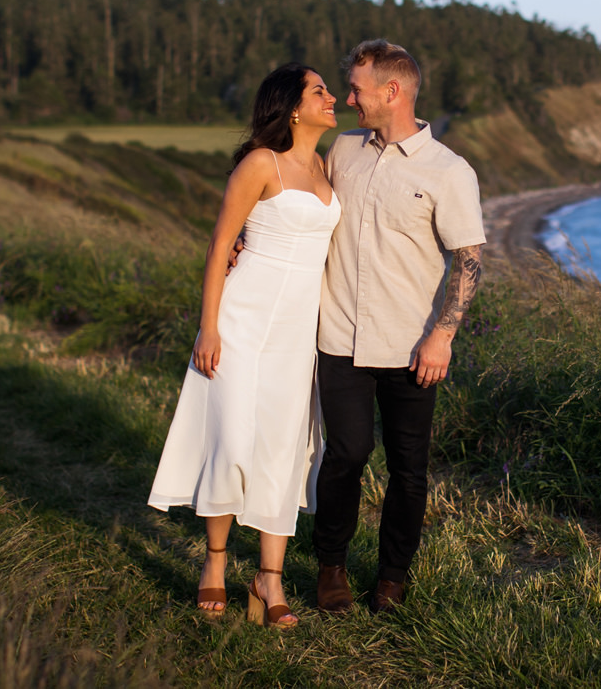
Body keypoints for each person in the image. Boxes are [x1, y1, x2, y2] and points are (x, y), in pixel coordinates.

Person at [147, 63, 340, 628]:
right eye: (320, 91)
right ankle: (213, 565)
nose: (331, 98)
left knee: (283, 449)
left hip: (298, 330)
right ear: (293, 107)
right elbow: (220, 245)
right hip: (243, 317)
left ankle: (269, 578)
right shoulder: (261, 163)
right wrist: (210, 327)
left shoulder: (327, 167)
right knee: (231, 439)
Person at [311, 39, 486, 614]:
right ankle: (330, 567)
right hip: (338, 336)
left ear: (393, 92)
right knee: (346, 454)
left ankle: (391, 577)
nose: (347, 98)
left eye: (356, 88)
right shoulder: (344, 149)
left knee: (409, 469)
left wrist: (444, 335)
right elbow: (304, 204)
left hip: (412, 346)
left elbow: (470, 259)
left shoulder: (449, 171)